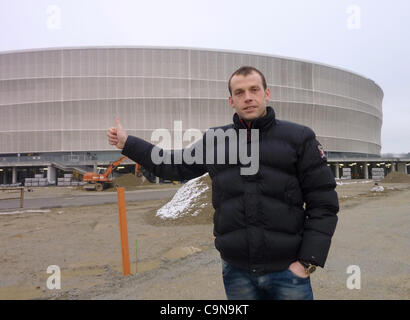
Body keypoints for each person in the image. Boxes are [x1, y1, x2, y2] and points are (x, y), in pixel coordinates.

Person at [106, 66, 339, 300]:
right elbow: (171, 164)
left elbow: (324, 203)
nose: (247, 97)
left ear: (266, 94)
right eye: (239, 92)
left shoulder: (299, 139)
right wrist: (129, 144)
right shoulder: (215, 142)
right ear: (231, 101)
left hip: (288, 273)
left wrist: (307, 262)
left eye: (254, 89)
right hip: (237, 274)